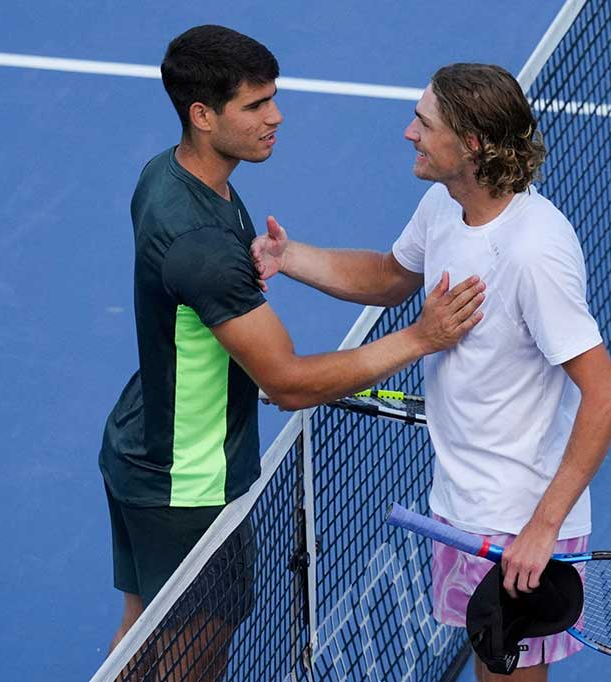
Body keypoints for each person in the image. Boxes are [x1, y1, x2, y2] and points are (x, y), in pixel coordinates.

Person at [97, 27, 485, 680]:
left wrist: (292, 256)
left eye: (272, 98)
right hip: (189, 480)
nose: (275, 117)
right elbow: (288, 384)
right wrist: (420, 338)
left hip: (141, 444)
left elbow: (382, 278)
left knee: (140, 635)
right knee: (194, 659)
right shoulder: (202, 245)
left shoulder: (167, 176)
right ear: (202, 115)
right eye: (254, 106)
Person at [251, 63, 611, 681]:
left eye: (423, 123)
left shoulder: (535, 252)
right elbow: (386, 279)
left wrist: (541, 528)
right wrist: (289, 256)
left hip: (518, 521)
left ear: (471, 144)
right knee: (488, 666)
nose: (409, 133)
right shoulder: (443, 205)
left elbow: (607, 398)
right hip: (461, 504)